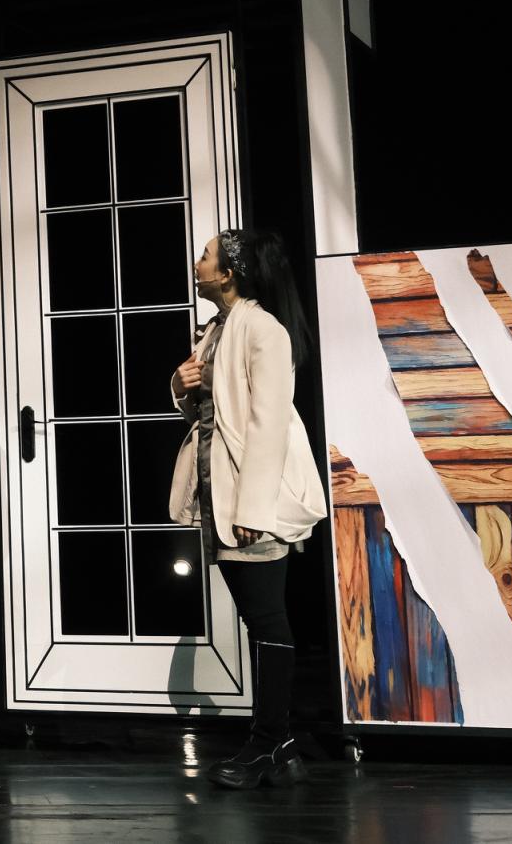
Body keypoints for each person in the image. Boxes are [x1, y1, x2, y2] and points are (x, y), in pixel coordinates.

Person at [168, 228, 328, 789]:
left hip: (250, 497)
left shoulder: (264, 331)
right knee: (258, 618)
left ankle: (267, 745)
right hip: (223, 490)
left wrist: (253, 509)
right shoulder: (217, 329)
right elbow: (209, 411)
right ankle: (280, 747)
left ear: (229, 273)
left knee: (266, 619)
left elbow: (268, 426)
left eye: (206, 255)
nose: (198, 262)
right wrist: (180, 385)